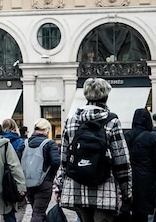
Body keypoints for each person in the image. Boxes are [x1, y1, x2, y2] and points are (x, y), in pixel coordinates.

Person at [55, 77, 131, 222]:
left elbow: (64, 159)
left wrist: (59, 186)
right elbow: (121, 159)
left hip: (77, 187)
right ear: (106, 96)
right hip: (104, 188)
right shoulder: (111, 121)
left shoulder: (71, 121)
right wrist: (127, 190)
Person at [124, 108, 156, 222]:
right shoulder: (153, 138)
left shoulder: (126, 136)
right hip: (146, 181)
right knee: (142, 215)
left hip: (128, 179)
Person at [20, 119, 59, 222]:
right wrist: (50, 177)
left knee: (37, 210)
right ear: (46, 130)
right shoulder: (50, 143)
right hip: (44, 182)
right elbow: (56, 162)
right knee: (39, 212)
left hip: (28, 182)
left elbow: (17, 161)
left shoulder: (24, 143)